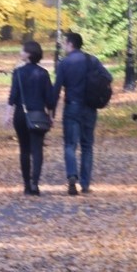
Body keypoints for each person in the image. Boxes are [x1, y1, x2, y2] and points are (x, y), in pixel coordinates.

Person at [52, 31, 100, 196]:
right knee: (87, 146)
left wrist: (50, 108)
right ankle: (85, 184)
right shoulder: (91, 60)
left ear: (70, 44)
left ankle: (72, 175)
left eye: (65, 43)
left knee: (70, 145)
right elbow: (107, 77)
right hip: (90, 108)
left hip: (72, 107)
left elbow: (57, 87)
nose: (64, 46)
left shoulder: (65, 63)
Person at [5, 40, 53, 195]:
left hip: (21, 115)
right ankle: (35, 183)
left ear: (29, 54)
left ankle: (26, 184)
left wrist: (7, 115)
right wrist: (51, 115)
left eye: (23, 50)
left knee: (24, 149)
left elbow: (13, 96)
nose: (20, 52)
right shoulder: (43, 73)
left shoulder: (18, 73)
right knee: (37, 149)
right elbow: (50, 99)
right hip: (38, 115)